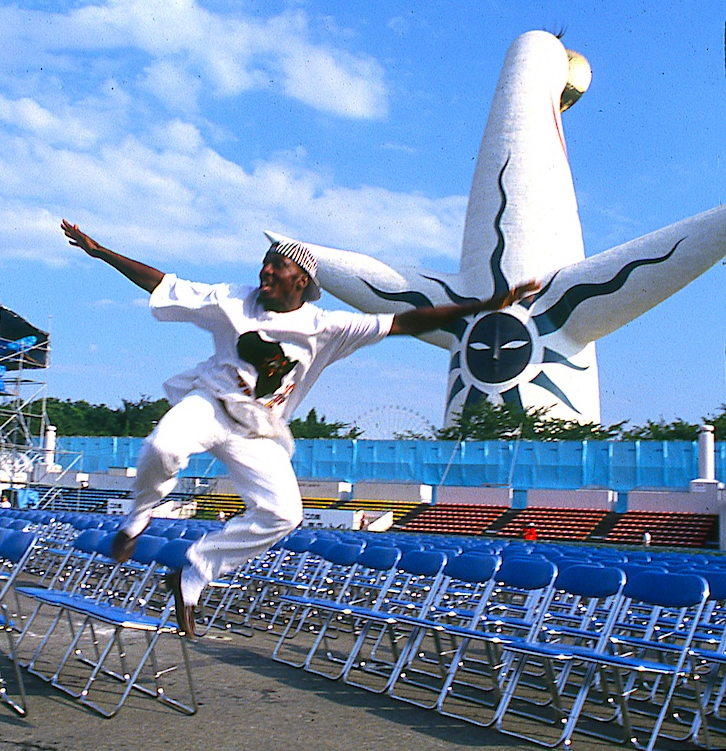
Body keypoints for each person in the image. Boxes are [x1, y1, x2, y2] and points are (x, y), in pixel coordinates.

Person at [61, 219, 539, 638]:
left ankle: (195, 572)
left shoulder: (327, 326)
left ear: (301, 280)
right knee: (163, 446)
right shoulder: (231, 300)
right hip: (212, 403)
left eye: (276, 267)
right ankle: (138, 517)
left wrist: (485, 304)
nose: (265, 273)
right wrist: (101, 252)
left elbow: (409, 321)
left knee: (284, 515)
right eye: (263, 265)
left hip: (259, 430)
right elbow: (164, 283)